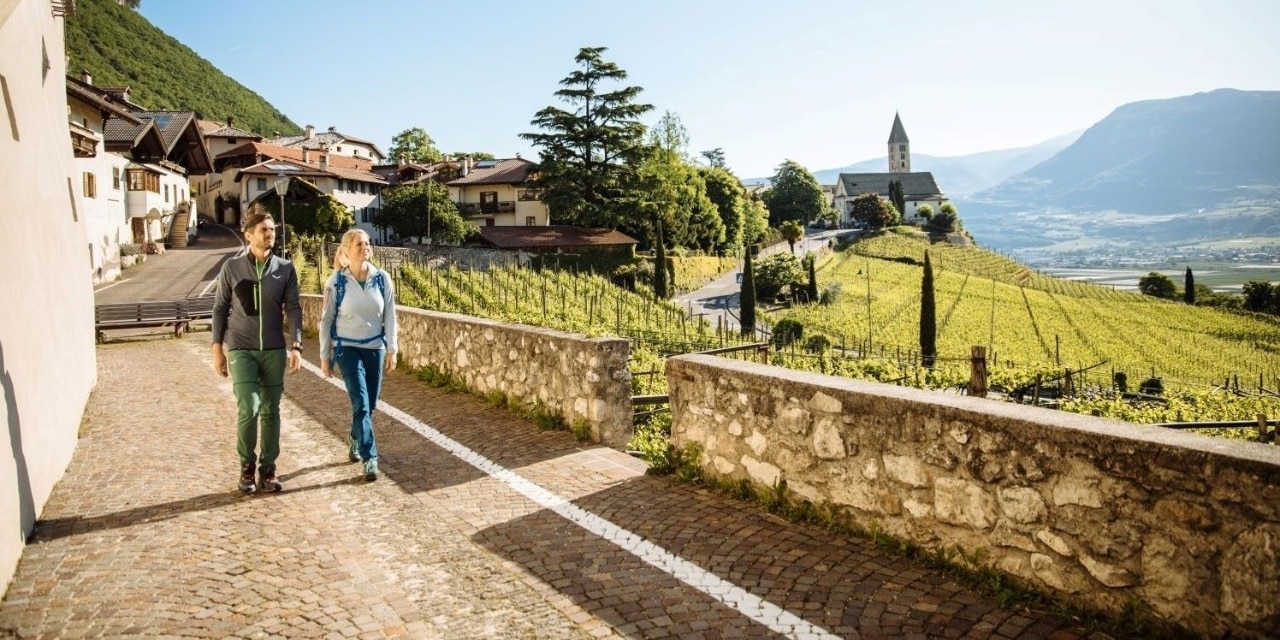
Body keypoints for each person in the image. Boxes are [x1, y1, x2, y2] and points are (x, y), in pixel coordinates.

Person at [211, 212, 303, 493]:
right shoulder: (232, 267)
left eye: (272, 229)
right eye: (264, 229)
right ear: (248, 234)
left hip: (274, 348)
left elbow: (294, 308)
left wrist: (296, 345)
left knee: (270, 411)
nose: (270, 233)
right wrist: (217, 347)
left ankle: (270, 469)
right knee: (248, 408)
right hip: (241, 348)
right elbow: (219, 308)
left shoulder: (285, 269)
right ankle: (247, 467)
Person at [319, 229, 398, 482]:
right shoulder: (335, 282)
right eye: (359, 244)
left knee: (371, 404)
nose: (365, 247)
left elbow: (390, 316)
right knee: (361, 403)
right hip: (347, 348)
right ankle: (370, 457)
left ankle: (355, 436)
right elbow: (326, 320)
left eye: (367, 243)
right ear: (346, 251)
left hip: (375, 347)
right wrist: (324, 356)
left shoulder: (382, 279)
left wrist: (393, 349)